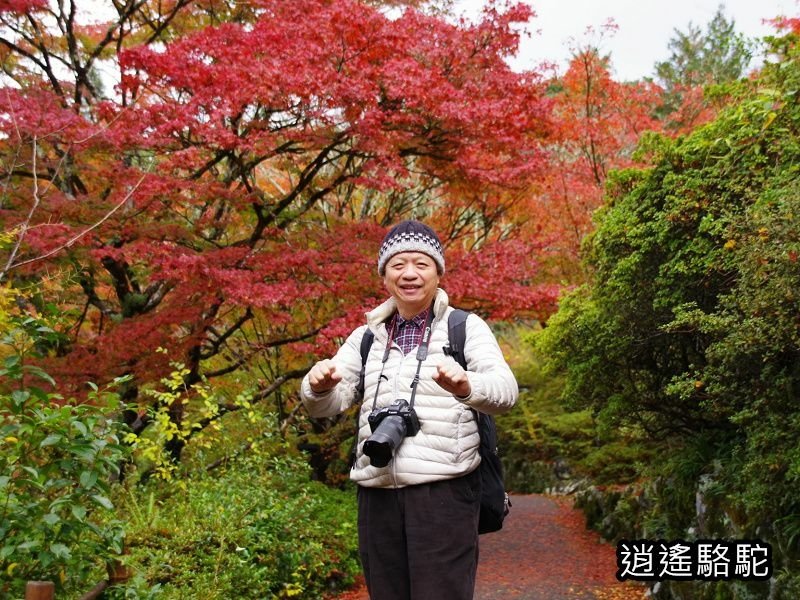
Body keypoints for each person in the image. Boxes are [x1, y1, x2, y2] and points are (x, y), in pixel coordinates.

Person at [300, 220, 518, 600]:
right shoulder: (366, 337)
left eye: (421, 263)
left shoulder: (463, 328)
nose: (410, 274)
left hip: (444, 491)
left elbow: (506, 391)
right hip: (377, 490)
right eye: (398, 265)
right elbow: (329, 404)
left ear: (438, 271)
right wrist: (316, 387)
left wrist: (468, 386)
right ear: (384, 276)